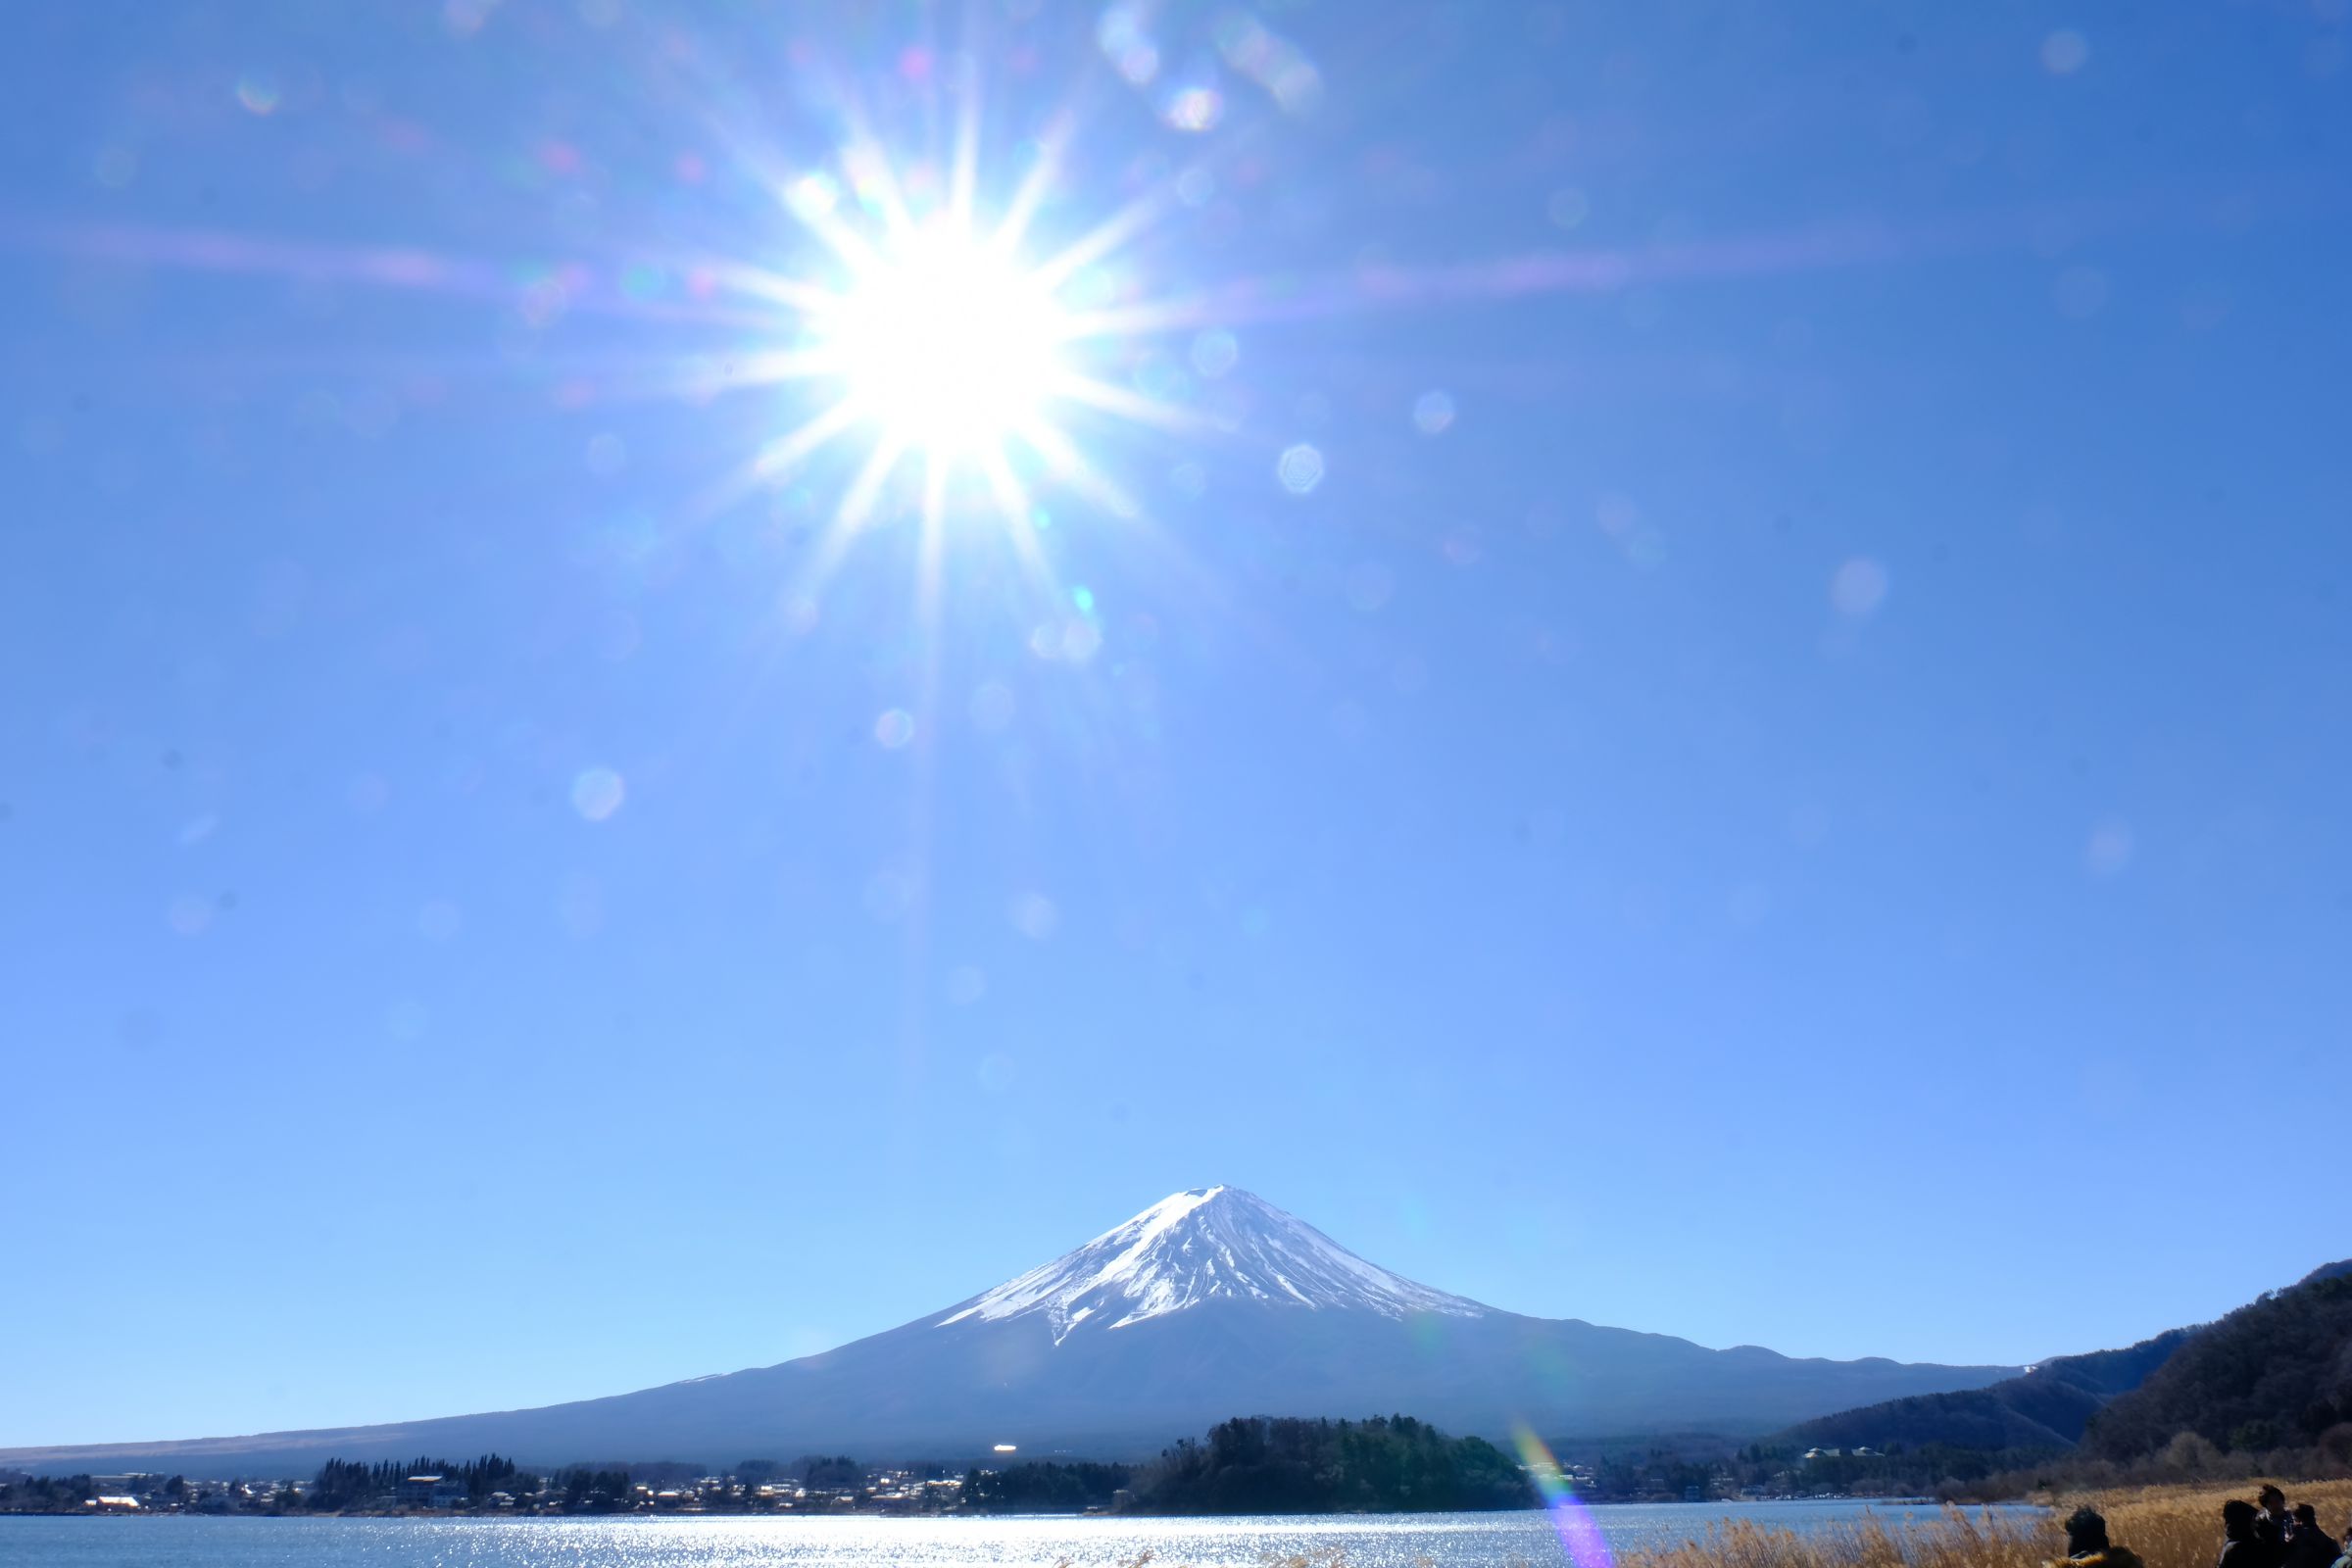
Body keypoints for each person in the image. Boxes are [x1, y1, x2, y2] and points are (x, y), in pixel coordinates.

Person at [2057, 1505, 2144, 1568]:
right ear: (2104, 1539)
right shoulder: (2129, 1563)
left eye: (2070, 1538)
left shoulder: (2066, 1565)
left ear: (2074, 1542)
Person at [2224, 1498, 2285, 1568]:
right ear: (2244, 1522)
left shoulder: (2232, 1543)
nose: (2255, 1523)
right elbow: (2268, 1562)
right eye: (2252, 1519)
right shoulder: (2239, 1549)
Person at [2282, 1503, 2341, 1568]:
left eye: (2294, 1520)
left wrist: (2289, 1541)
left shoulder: (2296, 1541)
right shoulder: (2328, 1540)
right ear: (2313, 1519)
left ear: (2298, 1521)